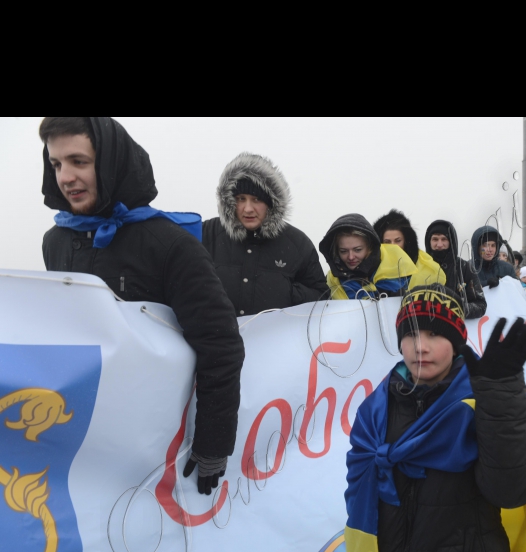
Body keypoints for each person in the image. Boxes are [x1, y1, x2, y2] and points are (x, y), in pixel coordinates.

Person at [40, 116, 244, 496]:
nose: (65, 176)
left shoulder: (170, 245)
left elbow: (221, 346)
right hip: (84, 441)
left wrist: (213, 444)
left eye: (79, 161)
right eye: (56, 164)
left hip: (156, 445)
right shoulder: (56, 242)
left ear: (111, 161)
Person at [344, 285, 526, 552]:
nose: (420, 347)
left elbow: (511, 491)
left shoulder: (480, 404)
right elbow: (358, 493)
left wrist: (502, 399)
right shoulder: (374, 411)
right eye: (410, 334)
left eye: (434, 334)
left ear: (456, 341)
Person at [202, 153, 328, 318]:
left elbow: (322, 300)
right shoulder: (207, 234)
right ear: (229, 200)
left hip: (275, 341)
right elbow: (179, 281)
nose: (248, 209)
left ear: (271, 203)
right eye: (241, 199)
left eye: (256, 200)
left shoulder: (298, 244)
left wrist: (287, 293)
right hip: (214, 341)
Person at [320, 214, 418, 300]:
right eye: (343, 251)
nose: (350, 257)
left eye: (357, 250)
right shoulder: (330, 282)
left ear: (370, 247)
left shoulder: (399, 264)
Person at [424, 220, 487, 318]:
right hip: (427, 328)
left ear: (451, 241)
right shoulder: (420, 268)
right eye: (435, 239)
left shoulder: (465, 268)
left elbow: (481, 305)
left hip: (456, 328)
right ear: (429, 242)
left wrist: (455, 309)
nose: (439, 244)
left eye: (444, 239)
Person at [374, 210, 446, 288]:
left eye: (398, 241)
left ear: (405, 241)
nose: (393, 246)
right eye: (387, 242)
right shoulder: (372, 270)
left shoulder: (425, 265)